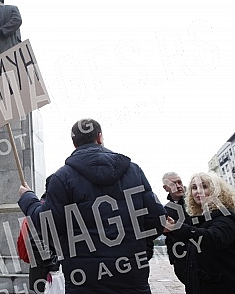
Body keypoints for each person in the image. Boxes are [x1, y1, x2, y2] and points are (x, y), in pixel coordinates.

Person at [18, 118, 167, 294]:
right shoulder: (134, 171)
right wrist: (140, 252)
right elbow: (157, 221)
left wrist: (28, 198)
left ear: (74, 143)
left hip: (84, 280)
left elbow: (47, 225)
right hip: (131, 277)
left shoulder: (62, 177)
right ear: (100, 137)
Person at [164, 172, 235, 294]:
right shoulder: (200, 217)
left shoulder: (226, 216)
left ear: (217, 190)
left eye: (204, 186)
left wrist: (177, 227)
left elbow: (214, 238)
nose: (198, 192)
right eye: (194, 188)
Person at [161, 172, 189, 285]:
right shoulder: (165, 210)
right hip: (181, 259)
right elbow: (167, 236)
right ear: (166, 188)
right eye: (173, 184)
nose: (178, 186)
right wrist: (173, 259)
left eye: (179, 182)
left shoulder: (196, 202)